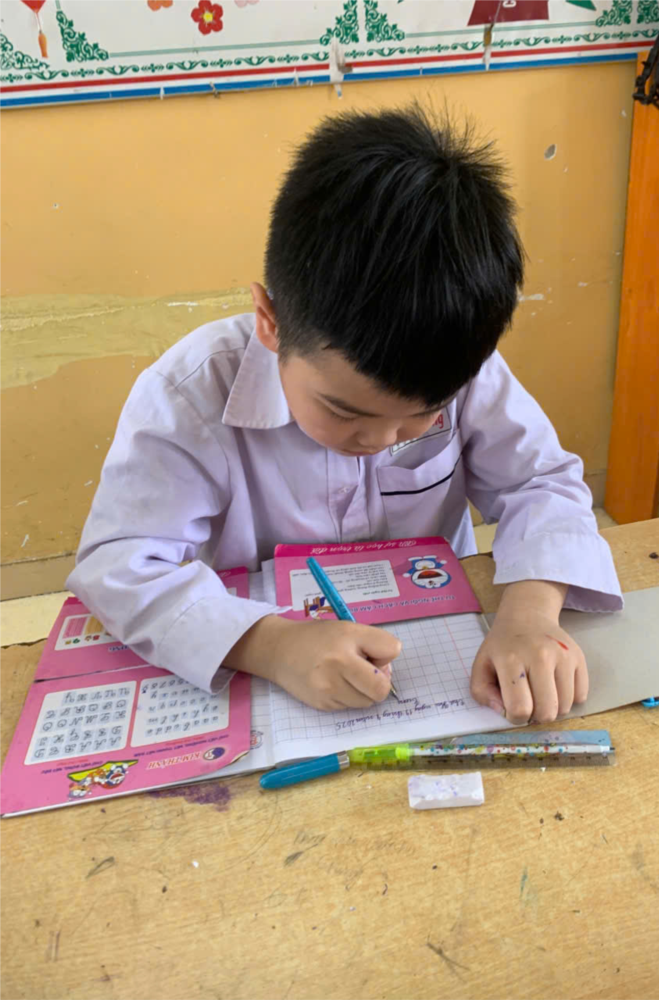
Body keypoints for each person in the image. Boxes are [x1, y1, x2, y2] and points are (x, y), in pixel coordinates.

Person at [68, 104, 622, 726]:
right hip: (266, 661)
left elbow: (540, 482)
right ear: (271, 322)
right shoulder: (190, 394)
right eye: (342, 409)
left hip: (430, 625)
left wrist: (529, 614)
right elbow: (119, 566)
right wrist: (271, 645)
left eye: (422, 416)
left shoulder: (460, 366)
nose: (381, 439)